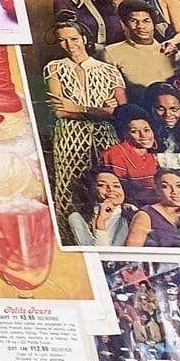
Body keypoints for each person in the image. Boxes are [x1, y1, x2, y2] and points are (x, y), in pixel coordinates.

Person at [44, 18, 127, 217]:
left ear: (83, 38)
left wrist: (78, 107)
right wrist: (102, 110)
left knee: (111, 184)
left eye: (73, 38)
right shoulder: (54, 68)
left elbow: (122, 112)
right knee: (69, 187)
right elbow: (60, 111)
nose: (69, 45)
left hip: (106, 134)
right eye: (62, 40)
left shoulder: (109, 70)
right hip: (68, 135)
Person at [106, 0, 180, 97]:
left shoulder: (173, 53)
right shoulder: (111, 53)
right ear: (125, 24)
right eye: (134, 21)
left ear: (153, 24)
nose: (141, 26)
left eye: (146, 21)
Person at [101, 104, 164, 206]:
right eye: (134, 131)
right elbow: (118, 192)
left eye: (147, 130)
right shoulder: (116, 154)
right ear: (125, 133)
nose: (143, 136)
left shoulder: (154, 154)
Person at [67, 167, 135, 246]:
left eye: (116, 186)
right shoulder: (78, 218)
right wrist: (100, 222)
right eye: (102, 185)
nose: (111, 189)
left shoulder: (131, 211)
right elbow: (97, 254)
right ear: (91, 189)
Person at [126, 167, 180, 247]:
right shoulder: (145, 215)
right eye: (165, 186)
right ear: (158, 190)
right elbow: (131, 252)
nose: (175, 191)